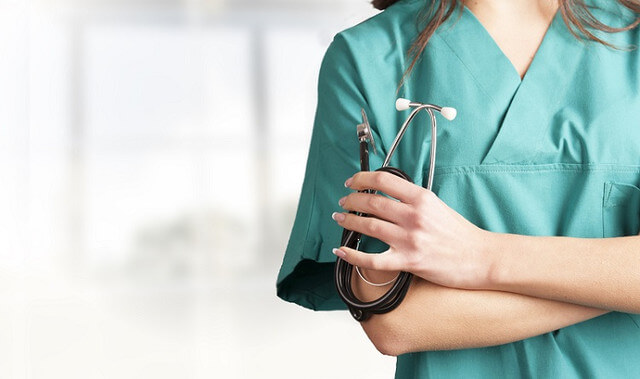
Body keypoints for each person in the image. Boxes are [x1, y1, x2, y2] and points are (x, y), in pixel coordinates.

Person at [276, 0, 640, 377]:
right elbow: (394, 321)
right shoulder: (367, 58)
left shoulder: (634, 43)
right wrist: (616, 283)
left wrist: (479, 256)